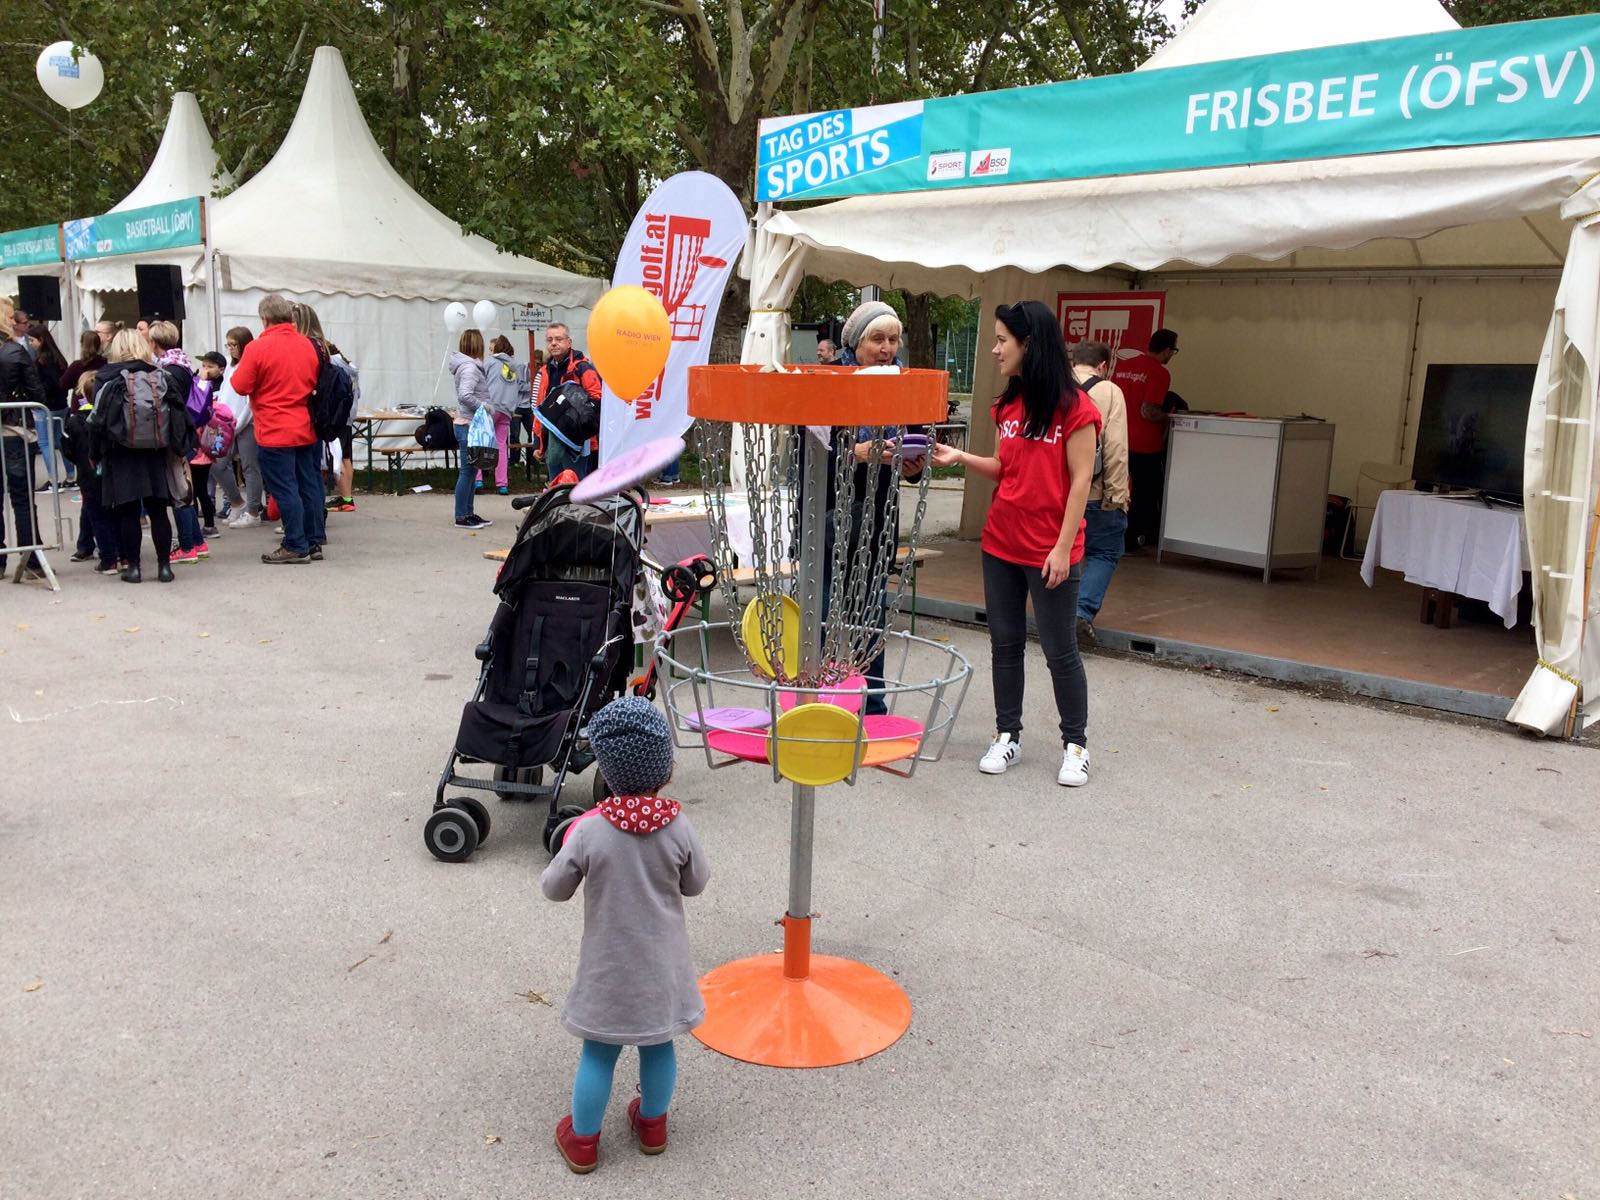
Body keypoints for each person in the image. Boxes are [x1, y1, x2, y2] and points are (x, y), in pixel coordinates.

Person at [931, 301, 1101, 788]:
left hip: (1050, 551)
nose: (995, 349)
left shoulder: (1076, 408)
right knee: (1005, 645)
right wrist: (961, 457)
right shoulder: (1007, 406)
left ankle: (1076, 746)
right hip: (1001, 544)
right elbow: (1006, 469)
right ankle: (1007, 735)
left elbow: (1081, 481)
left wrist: (1062, 549)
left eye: (1002, 340)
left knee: (1059, 651)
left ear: (1030, 343)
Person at [539, 696, 710, 1175]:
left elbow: (554, 889)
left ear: (607, 772)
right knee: (659, 1045)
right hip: (663, 970)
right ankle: (652, 1126)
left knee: (598, 1053)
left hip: (608, 970)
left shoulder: (589, 831)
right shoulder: (678, 827)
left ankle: (583, 1141)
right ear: (665, 770)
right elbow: (696, 883)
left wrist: (571, 844)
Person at [819, 299, 925, 716]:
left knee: (871, 611)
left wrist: (915, 465)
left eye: (893, 340)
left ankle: (873, 703)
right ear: (855, 342)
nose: (887, 348)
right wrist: (854, 453)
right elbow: (806, 454)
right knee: (823, 610)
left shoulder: (903, 384)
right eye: (877, 339)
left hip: (878, 517)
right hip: (828, 514)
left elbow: (915, 443)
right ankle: (817, 699)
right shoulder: (827, 381)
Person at [87, 328, 194, 583]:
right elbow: (179, 414)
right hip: (156, 451)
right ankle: (164, 567)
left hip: (121, 452)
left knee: (128, 512)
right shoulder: (160, 375)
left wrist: (95, 454)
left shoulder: (106, 376)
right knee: (158, 511)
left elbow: (98, 420)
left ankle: (134, 568)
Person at [229, 294, 324, 564]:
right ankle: (313, 540)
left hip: (274, 427)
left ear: (264, 319)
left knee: (284, 489)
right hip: (305, 424)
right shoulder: (307, 344)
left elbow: (240, 385)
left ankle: (295, 544)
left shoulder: (258, 347)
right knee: (308, 485)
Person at [1069, 340, 1130, 644]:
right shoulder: (1110, 392)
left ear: (1073, 362)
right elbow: (1116, 447)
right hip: (1094, 493)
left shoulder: (1054, 387)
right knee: (1104, 552)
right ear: (1103, 366)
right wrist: (1116, 496)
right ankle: (1080, 613)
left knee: (1059, 551)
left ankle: (1054, 612)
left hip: (1057, 492)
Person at [291, 302, 360, 513]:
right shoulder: (339, 361)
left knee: (331, 460)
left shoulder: (313, 350)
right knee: (341, 457)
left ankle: (343, 499)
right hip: (341, 416)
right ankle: (345, 497)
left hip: (324, 417)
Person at [149, 321, 208, 563]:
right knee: (184, 488)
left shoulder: (167, 370)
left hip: (174, 434)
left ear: (154, 342)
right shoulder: (182, 364)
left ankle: (186, 546)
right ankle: (197, 542)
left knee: (178, 491)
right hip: (185, 431)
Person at [1118, 327, 1179, 551]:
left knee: (1118, 491)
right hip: (1146, 445)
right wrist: (1169, 417)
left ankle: (1115, 538)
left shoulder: (1123, 367)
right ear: (1167, 350)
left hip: (1120, 440)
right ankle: (1132, 540)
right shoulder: (1160, 373)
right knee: (1144, 494)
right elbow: (1148, 411)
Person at [0, 296, 46, 580]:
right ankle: (31, 559)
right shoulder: (15, 352)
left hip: (11, 427)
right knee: (22, 496)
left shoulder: (14, 351)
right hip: (14, 429)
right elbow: (37, 392)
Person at [63, 374, 120, 573]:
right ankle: (120, 554)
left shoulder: (74, 421)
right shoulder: (111, 416)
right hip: (111, 471)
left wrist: (80, 462)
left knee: (98, 515)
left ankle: (109, 558)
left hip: (88, 473)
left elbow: (67, 449)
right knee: (113, 513)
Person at [533, 323, 602, 481]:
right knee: (556, 485)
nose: (553, 343)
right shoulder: (544, 372)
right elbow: (539, 409)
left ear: (569, 342)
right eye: (550, 340)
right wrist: (538, 443)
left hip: (577, 442)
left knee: (575, 485)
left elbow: (597, 400)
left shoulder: (583, 368)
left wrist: (578, 423)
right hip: (552, 439)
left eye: (558, 339)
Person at [448, 328, 492, 529]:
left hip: (468, 423)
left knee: (472, 471)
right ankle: (461, 516)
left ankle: (468, 512)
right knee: (467, 472)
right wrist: (485, 407)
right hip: (468, 424)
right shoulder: (470, 368)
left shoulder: (467, 366)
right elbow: (465, 395)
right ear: (478, 345)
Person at [222, 327, 263, 528]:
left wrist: (240, 423)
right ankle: (237, 501)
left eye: (234, 345)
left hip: (245, 423)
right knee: (218, 464)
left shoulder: (250, 364)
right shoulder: (230, 366)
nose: (230, 349)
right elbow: (225, 390)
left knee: (250, 466)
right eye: (228, 345)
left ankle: (253, 510)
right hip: (226, 422)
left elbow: (250, 401)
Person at [190, 352, 229, 537]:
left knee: (196, 490)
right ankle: (208, 524)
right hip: (202, 450)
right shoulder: (203, 387)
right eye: (203, 366)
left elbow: (197, 407)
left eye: (209, 366)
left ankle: (204, 526)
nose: (205, 370)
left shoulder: (207, 390)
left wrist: (201, 381)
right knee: (199, 490)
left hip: (200, 449)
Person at [484, 335, 527, 495]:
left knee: (480, 441)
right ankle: (502, 484)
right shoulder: (515, 365)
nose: (490, 352)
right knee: (501, 445)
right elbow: (522, 387)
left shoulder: (489, 362)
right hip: (507, 410)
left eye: (491, 349)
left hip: (490, 406)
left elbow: (481, 382)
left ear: (496, 349)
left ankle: (477, 480)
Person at [27, 327, 68, 490]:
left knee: (44, 442)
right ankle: (71, 475)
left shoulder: (43, 360)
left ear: (41, 340)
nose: (30, 343)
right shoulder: (58, 358)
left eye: (32, 340)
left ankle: (54, 479)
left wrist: (36, 394)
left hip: (46, 406)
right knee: (60, 439)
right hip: (60, 405)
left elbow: (51, 383)